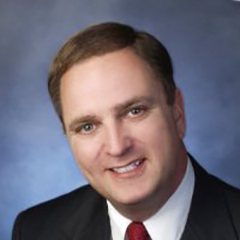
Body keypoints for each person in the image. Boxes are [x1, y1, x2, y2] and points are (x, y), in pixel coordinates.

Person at [12, 22, 240, 240]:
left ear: (177, 113)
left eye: (135, 111)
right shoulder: (35, 230)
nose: (117, 147)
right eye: (87, 126)